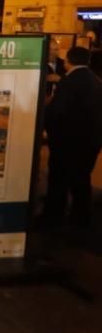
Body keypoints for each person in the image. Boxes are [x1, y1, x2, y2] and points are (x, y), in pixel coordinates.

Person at [44, 46, 102, 231]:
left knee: (58, 180)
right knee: (81, 179)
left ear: (68, 61)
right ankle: (81, 217)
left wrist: (48, 131)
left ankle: (53, 218)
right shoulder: (95, 81)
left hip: (67, 142)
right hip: (90, 142)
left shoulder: (68, 82)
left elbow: (57, 112)